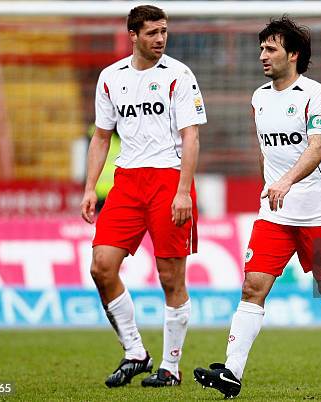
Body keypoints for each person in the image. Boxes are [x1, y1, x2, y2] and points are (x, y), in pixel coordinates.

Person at [193, 17, 321, 398]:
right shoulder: (259, 98)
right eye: (261, 48)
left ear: (294, 54)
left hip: (319, 214)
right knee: (253, 287)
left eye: (270, 48)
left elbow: (317, 147)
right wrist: (270, 187)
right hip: (274, 215)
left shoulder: (316, 96)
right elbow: (264, 151)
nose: (262, 55)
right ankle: (232, 373)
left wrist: (286, 180)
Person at [80, 5, 206, 388]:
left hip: (169, 181)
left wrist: (183, 189)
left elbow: (191, 135)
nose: (161, 39)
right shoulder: (111, 78)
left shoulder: (179, 75)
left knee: (171, 277)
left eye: (164, 31)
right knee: (101, 267)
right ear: (133, 35)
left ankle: (170, 366)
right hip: (127, 182)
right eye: (152, 33)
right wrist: (89, 186)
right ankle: (136, 352)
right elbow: (102, 137)